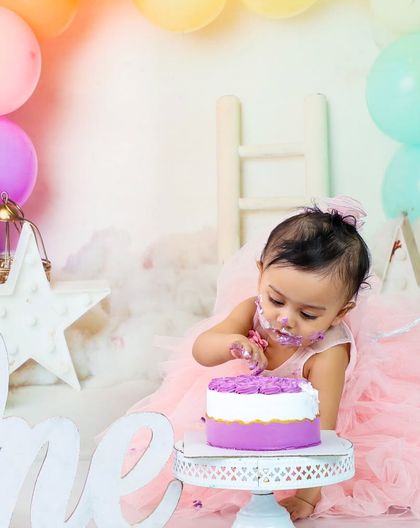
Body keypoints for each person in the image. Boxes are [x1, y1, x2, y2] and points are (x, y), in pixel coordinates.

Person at [122, 196, 420, 526]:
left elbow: (323, 432)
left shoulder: (328, 355)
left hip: (313, 422)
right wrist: (230, 341)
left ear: (340, 313)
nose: (285, 319)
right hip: (253, 415)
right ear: (261, 273)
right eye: (276, 299)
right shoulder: (251, 310)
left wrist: (307, 494)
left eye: (308, 313)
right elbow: (201, 351)